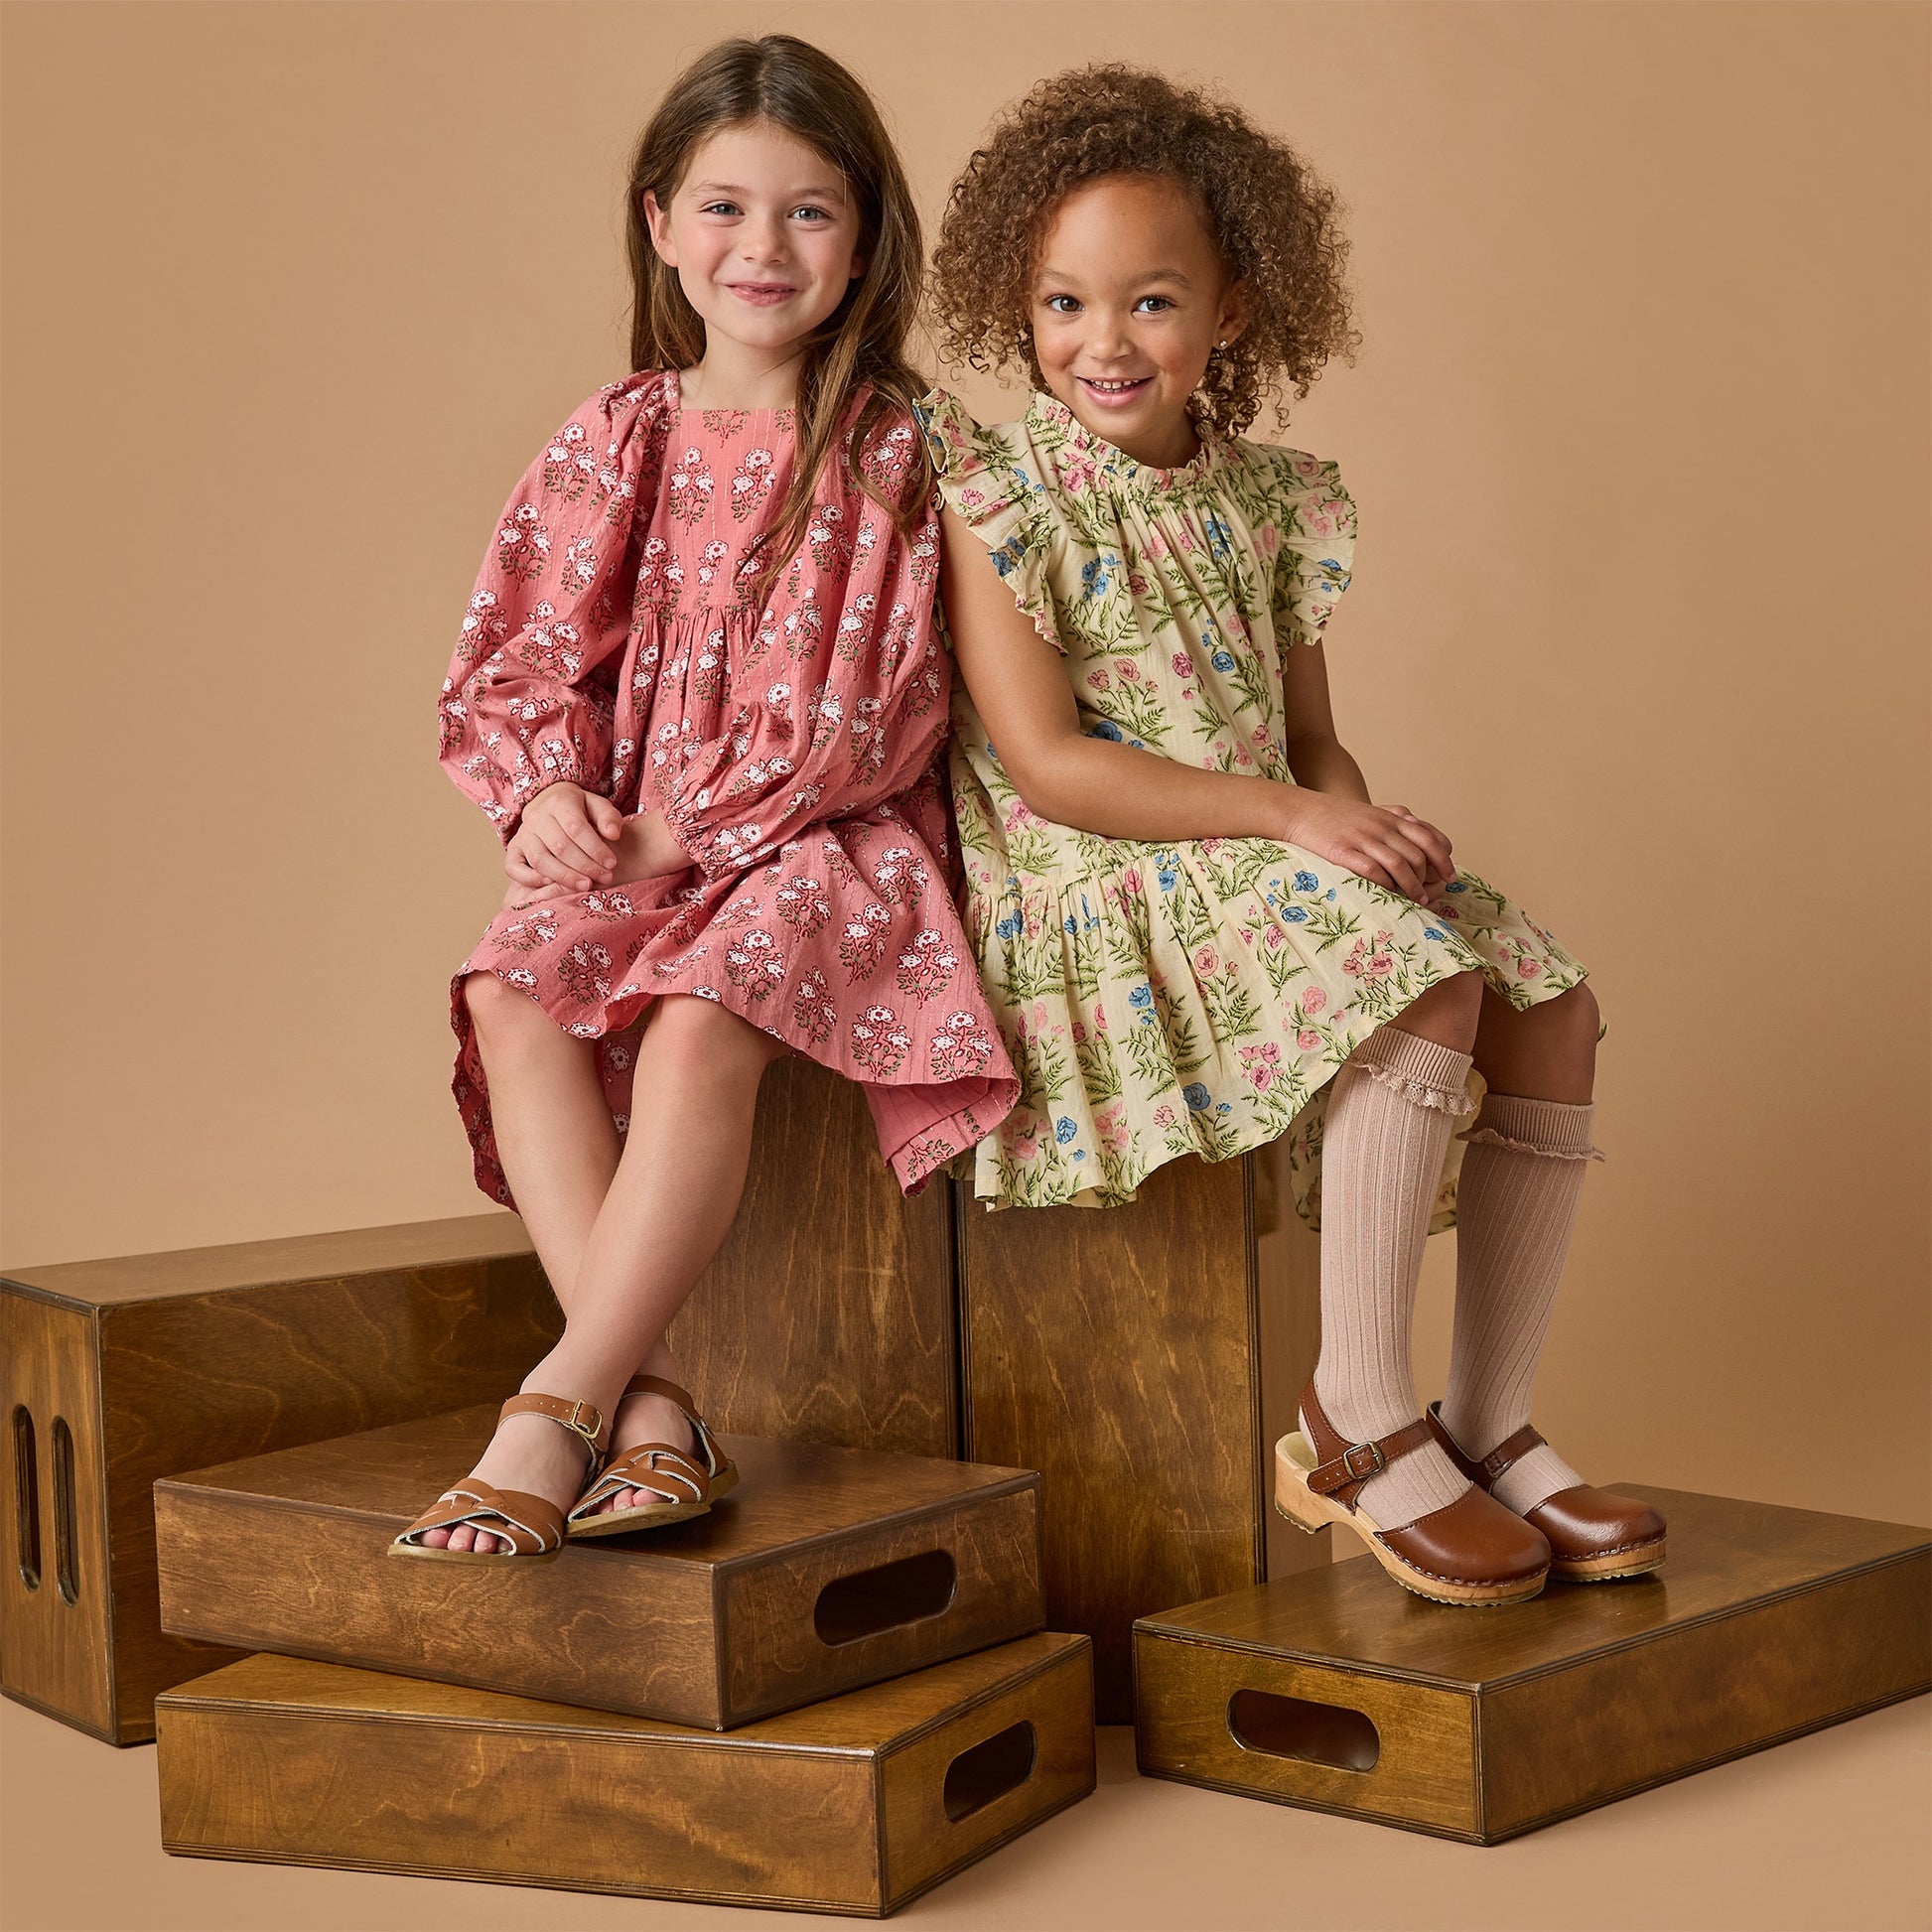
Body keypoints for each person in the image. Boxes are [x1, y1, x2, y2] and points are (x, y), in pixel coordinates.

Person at [920, 66, 1662, 1606]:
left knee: (1547, 1001)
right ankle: (1357, 1408)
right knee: (1419, 983)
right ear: (1018, 306)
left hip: (1251, 839)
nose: (1101, 343)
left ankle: (1486, 1414)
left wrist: (1359, 821)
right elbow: (1050, 766)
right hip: (1101, 872)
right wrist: (1290, 820)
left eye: (1149, 303)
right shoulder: (1002, 497)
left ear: (1235, 310)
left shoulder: (1266, 498)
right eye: (1061, 304)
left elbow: (1303, 729)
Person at [395, 34, 1015, 1565]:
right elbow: (522, 651)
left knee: (699, 1010)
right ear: (661, 221)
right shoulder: (617, 434)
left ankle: (549, 1409)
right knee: (510, 989)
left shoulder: (892, 446)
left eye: (808, 212)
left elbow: (871, 711)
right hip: (645, 837)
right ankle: (654, 1406)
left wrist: (692, 831)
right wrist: (544, 793)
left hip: (826, 841)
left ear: (865, 235)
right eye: (726, 208)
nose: (763, 247)